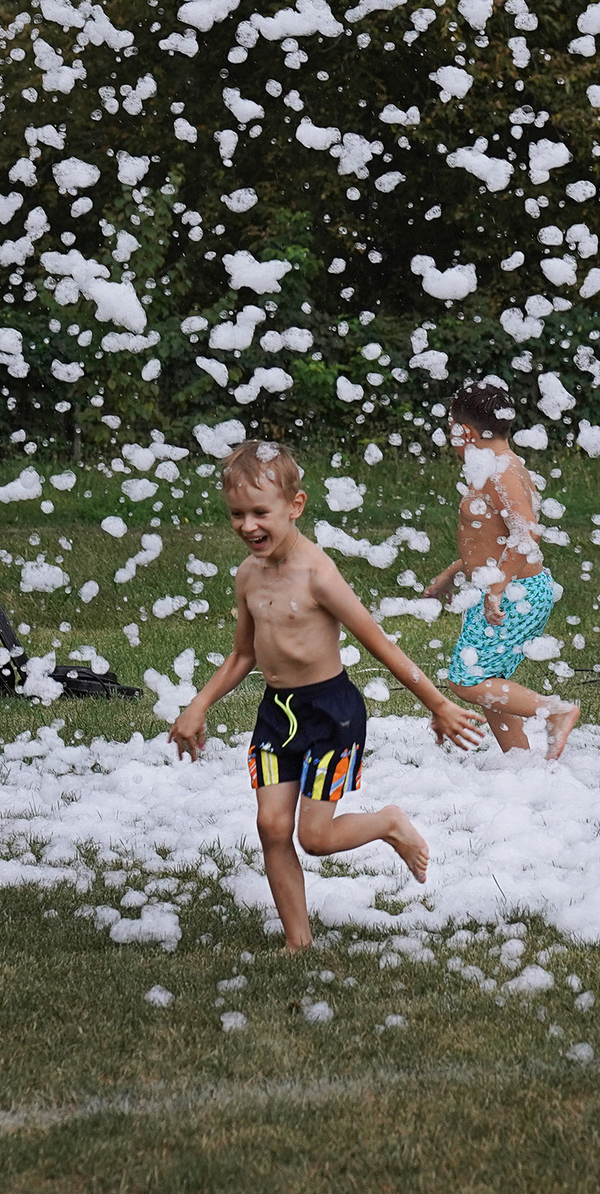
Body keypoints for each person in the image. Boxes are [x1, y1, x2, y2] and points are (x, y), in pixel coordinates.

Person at [170, 441, 490, 949]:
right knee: (271, 826)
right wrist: (199, 704)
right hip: (277, 715)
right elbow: (243, 655)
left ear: (294, 507)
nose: (248, 525)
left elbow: (379, 642)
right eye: (237, 514)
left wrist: (439, 703)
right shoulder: (248, 575)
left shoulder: (318, 573)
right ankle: (299, 942)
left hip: (331, 714)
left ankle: (388, 823)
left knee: (314, 839)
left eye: (260, 512)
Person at [422, 379, 579, 759]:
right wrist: (453, 573)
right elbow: (492, 539)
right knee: (491, 681)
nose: (449, 438)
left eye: (451, 430)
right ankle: (521, 765)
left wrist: (496, 588)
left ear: (467, 432)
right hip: (505, 588)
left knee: (467, 680)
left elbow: (527, 534)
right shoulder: (495, 467)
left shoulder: (502, 472)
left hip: (515, 593)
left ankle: (555, 711)